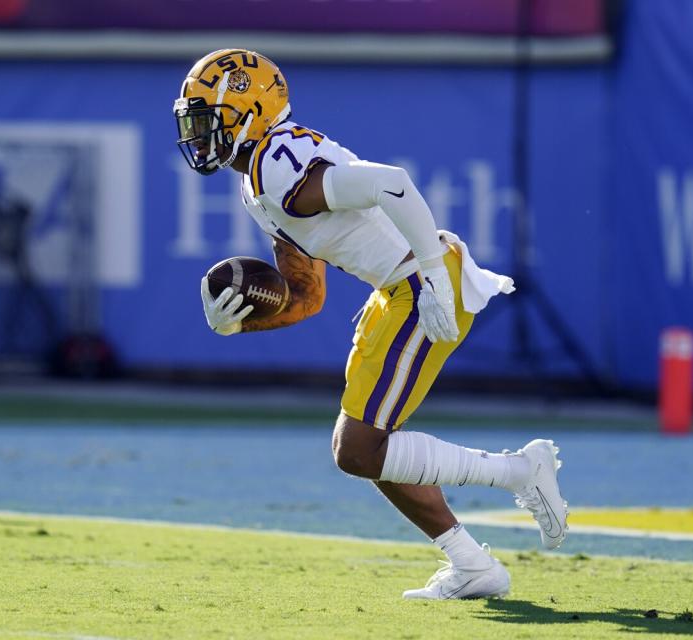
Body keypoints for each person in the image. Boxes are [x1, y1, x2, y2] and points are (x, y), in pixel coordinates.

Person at [174, 49, 568, 600]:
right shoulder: (260, 177)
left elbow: (393, 184)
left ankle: (519, 473)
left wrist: (431, 273)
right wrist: (240, 326)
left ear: (249, 113)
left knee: (361, 448)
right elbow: (307, 296)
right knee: (361, 445)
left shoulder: (277, 162)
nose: (197, 133)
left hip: (422, 284)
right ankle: (472, 564)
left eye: (206, 118)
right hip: (399, 289)